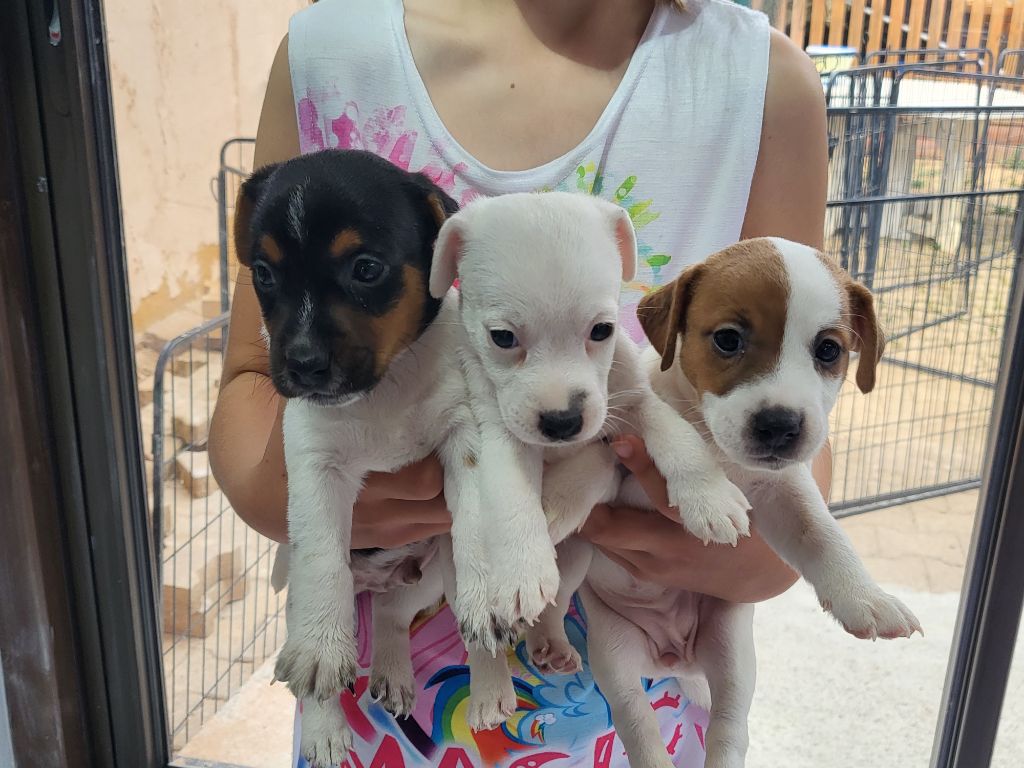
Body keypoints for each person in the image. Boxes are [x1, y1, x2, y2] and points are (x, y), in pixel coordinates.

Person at [208, 0, 831, 765]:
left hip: (641, 716)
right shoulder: (329, 54)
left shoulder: (760, 82)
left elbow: (796, 408)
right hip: (380, 722)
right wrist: (310, 491)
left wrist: (749, 540)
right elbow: (252, 375)